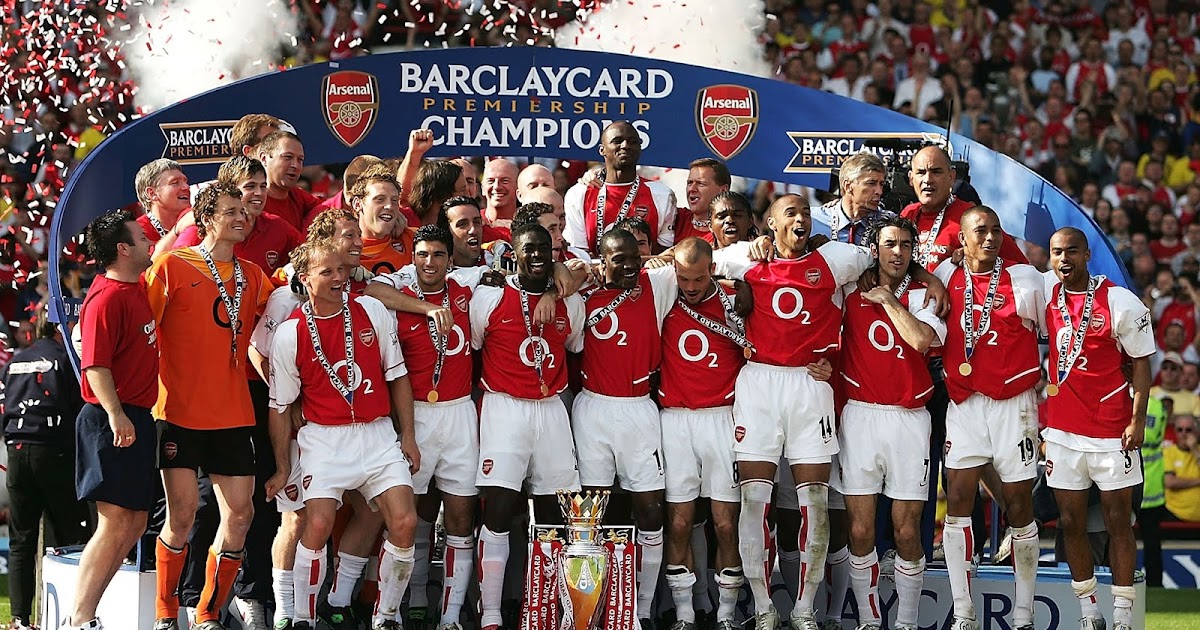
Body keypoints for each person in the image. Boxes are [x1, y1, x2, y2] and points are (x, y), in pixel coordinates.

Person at [711, 194, 874, 630]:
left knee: (814, 504)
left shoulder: (835, 259)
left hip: (809, 384)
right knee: (753, 502)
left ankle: (804, 609)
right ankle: (764, 607)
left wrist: (926, 277)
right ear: (770, 224)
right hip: (759, 383)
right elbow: (691, 260)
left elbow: (888, 258)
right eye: (791, 213)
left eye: (805, 212)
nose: (801, 218)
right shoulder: (747, 258)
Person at [264, 239, 420, 630]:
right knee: (316, 525)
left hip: (377, 434)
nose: (339, 278)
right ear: (305, 278)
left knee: (404, 521)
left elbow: (398, 376)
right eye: (327, 272)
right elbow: (280, 407)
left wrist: (408, 436)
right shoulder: (289, 333)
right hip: (324, 439)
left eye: (342, 269)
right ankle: (303, 618)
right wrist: (282, 467)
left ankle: (386, 617)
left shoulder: (371, 309)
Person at [145, 183, 274, 630]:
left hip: (233, 413)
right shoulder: (172, 265)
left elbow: (276, 311)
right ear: (205, 219)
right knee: (182, 515)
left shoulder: (253, 274)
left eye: (244, 210)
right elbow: (143, 328)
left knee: (241, 514)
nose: (242, 217)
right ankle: (165, 614)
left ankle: (207, 613)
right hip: (178, 411)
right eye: (230, 211)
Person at [365, 226, 489, 630]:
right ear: (413, 258)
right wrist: (425, 308)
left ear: (450, 259)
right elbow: (370, 291)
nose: (429, 262)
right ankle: (393, 610)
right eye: (422, 254)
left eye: (438, 255)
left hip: (459, 414)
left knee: (460, 519)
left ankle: (450, 617)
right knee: (407, 516)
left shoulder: (468, 287)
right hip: (414, 414)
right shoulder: (399, 288)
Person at [933, 205, 1046, 630]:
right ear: (962, 239)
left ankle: (1023, 614)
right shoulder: (945, 274)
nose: (991, 237)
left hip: (1013, 403)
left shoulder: (1024, 278)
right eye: (980, 231)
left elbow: (1054, 326)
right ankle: (963, 612)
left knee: (1018, 503)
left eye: (996, 230)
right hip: (964, 403)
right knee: (958, 499)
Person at [469, 223, 585, 630]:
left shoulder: (571, 302)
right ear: (514, 253)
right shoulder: (489, 296)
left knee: (554, 514)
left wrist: (557, 290)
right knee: (499, 510)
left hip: (551, 410)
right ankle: (491, 613)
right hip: (504, 409)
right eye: (528, 249)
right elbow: (475, 345)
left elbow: (574, 344)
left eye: (544, 249)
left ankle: (544, 610)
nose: (537, 256)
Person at [836, 216, 945, 630]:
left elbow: (920, 341)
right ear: (874, 250)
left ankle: (907, 623)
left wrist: (888, 300)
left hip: (909, 419)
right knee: (860, 529)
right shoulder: (850, 287)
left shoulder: (926, 293)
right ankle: (868, 621)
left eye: (905, 245)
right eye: (889, 244)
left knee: (906, 531)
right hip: (860, 415)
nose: (898, 252)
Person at [1043, 227, 1154, 630]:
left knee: (1118, 521)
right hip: (1062, 433)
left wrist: (1137, 420)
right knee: (1070, 522)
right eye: (1057, 252)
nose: (1064, 258)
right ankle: (1089, 612)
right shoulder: (1045, 292)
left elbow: (1141, 363)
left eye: (1072, 251)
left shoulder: (1119, 300)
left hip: (1111, 432)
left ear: (1087, 254)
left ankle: (1122, 615)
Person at [572, 228, 678, 626]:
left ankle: (642, 610)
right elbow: (560, 280)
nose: (631, 265)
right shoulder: (583, 293)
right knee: (589, 514)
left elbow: (693, 253)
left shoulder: (655, 285)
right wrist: (577, 271)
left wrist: (658, 259)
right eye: (620, 259)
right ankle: (591, 608)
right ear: (603, 261)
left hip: (638, 409)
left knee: (650, 509)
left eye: (636, 257)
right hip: (593, 409)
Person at [62, 210, 159, 630]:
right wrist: (116, 415)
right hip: (110, 417)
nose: (149, 241)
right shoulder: (106, 298)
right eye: (141, 237)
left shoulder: (135, 288)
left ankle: (86, 614)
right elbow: (95, 366)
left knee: (134, 522)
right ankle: (79, 618)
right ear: (123, 249)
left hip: (134, 414)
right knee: (114, 521)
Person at [659, 237, 747, 630]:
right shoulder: (663, 293)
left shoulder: (734, 300)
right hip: (675, 419)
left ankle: (726, 615)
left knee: (725, 523)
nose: (690, 287)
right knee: (679, 522)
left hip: (722, 419)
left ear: (712, 269)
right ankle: (684, 614)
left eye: (698, 278)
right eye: (683, 278)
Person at [3, 302, 89, 630]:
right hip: (54, 452)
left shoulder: (14, 361)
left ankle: (20, 619)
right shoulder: (67, 359)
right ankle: (69, 615)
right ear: (59, 325)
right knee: (70, 537)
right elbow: (80, 407)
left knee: (21, 540)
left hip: (16, 452)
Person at [173, 156, 304, 279]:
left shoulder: (277, 227)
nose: (259, 193)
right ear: (229, 190)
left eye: (263, 186)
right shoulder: (201, 229)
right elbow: (171, 270)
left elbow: (310, 256)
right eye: (250, 186)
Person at [565, 121, 676, 254]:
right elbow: (578, 252)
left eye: (632, 142)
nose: (625, 145)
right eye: (617, 141)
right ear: (602, 150)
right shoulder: (578, 194)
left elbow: (665, 251)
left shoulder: (662, 195)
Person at [811, 152, 891, 246]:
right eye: (871, 183)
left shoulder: (889, 223)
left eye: (881, 184)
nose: (879, 191)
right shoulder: (813, 219)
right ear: (848, 186)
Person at [353, 165, 415, 275]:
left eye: (394, 200)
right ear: (357, 204)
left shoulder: (413, 239)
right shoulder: (342, 251)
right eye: (380, 199)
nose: (389, 206)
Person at [259, 130, 322, 230]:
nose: (295, 165)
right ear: (264, 159)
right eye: (288, 157)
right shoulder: (250, 201)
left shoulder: (299, 197)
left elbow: (330, 209)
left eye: (300, 160)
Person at [133, 158, 192, 258]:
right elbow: (148, 266)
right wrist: (175, 232)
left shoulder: (199, 222)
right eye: (175, 183)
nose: (186, 187)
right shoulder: (136, 232)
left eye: (185, 182)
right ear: (152, 193)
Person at [674, 159, 731, 244]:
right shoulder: (674, 217)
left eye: (701, 183)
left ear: (723, 190)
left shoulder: (732, 231)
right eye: (690, 183)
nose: (691, 189)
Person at [1164, 414, 1200, 522]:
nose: (1184, 434)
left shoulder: (1198, 451)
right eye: (1180, 430)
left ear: (1196, 432)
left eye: (1188, 430)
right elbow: (1170, 482)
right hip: (1176, 514)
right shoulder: (1168, 452)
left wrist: (1194, 450)